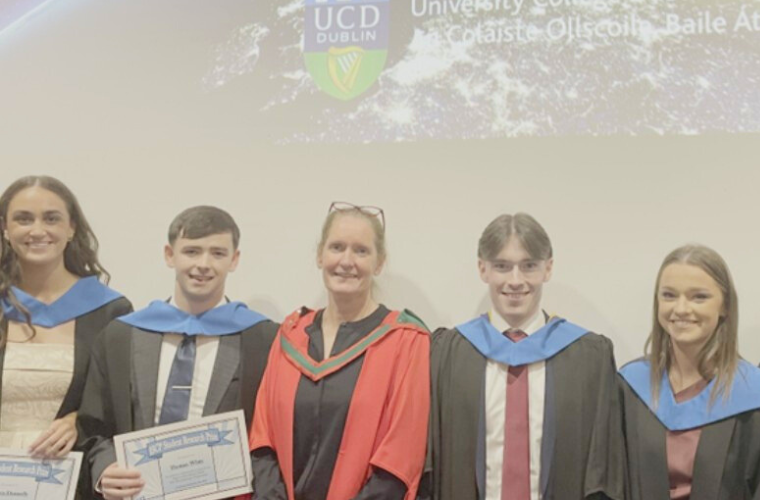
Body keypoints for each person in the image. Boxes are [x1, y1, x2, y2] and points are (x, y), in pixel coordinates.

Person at [78, 205, 278, 500]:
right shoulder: (121, 337)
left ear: (234, 260)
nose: (204, 264)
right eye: (192, 251)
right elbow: (93, 424)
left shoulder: (261, 339)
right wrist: (105, 468)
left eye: (218, 253)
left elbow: (271, 433)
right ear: (169, 255)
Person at [424, 212, 624, 500]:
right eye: (502, 266)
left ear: (548, 268)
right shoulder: (448, 355)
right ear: (483, 269)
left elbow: (604, 470)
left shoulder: (588, 358)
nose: (515, 281)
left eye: (529, 266)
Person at [249, 202, 430, 500]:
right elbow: (262, 438)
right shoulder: (290, 336)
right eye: (337, 247)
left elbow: (401, 456)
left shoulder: (405, 341)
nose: (347, 261)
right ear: (320, 255)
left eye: (361, 251)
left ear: (379, 262)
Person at [618, 244, 760, 500]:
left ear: (725, 306)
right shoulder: (628, 388)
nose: (681, 309)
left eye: (699, 297)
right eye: (669, 295)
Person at [0, 175, 131, 461]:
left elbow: (119, 401)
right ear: (5, 229)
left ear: (71, 227)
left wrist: (78, 420)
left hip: (70, 473)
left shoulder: (110, 312)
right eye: (23, 219)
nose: (37, 230)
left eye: (51, 219)